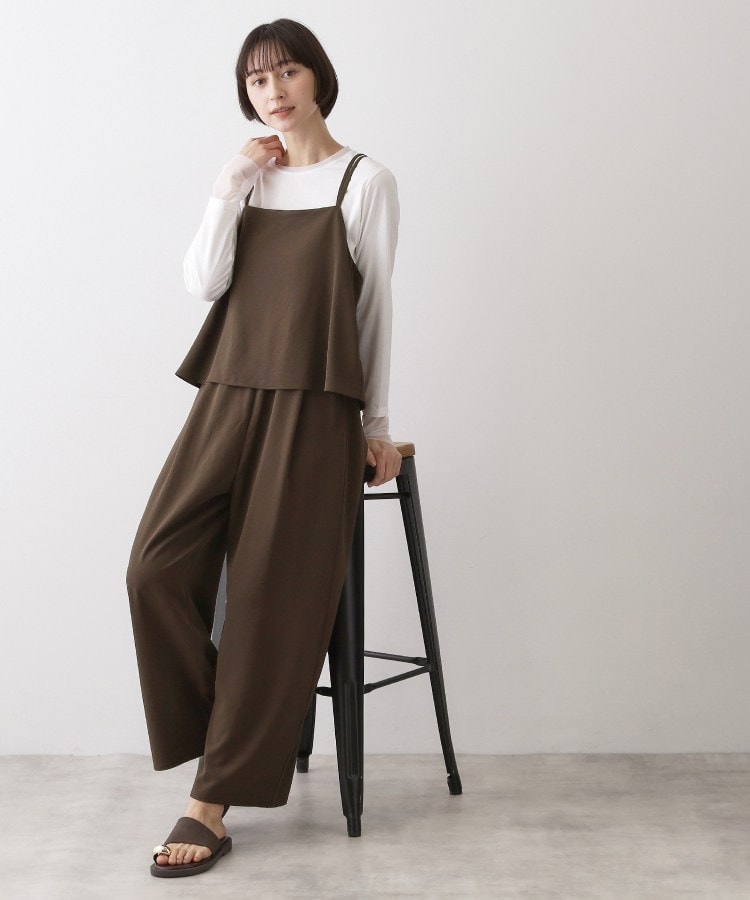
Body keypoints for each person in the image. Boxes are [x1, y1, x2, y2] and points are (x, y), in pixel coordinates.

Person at [125, 18, 401, 878]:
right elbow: (203, 283)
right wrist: (229, 182)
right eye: (256, 81)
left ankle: (210, 802)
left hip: (315, 406)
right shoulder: (248, 179)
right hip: (226, 394)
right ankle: (236, 731)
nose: (273, 92)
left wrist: (376, 426)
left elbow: (374, 310)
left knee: (267, 602)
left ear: (318, 78)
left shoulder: (365, 180)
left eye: (287, 74)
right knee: (153, 569)